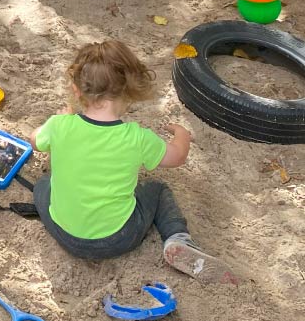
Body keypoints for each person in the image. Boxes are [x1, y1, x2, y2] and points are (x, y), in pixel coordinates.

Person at [29, 40, 237, 284]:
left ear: (76, 90)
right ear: (128, 91)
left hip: (64, 234)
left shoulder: (59, 125)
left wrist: (58, 119)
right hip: (119, 238)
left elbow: (34, 141)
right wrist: (181, 134)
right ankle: (177, 238)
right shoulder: (137, 138)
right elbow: (177, 157)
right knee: (157, 190)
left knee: (44, 184)